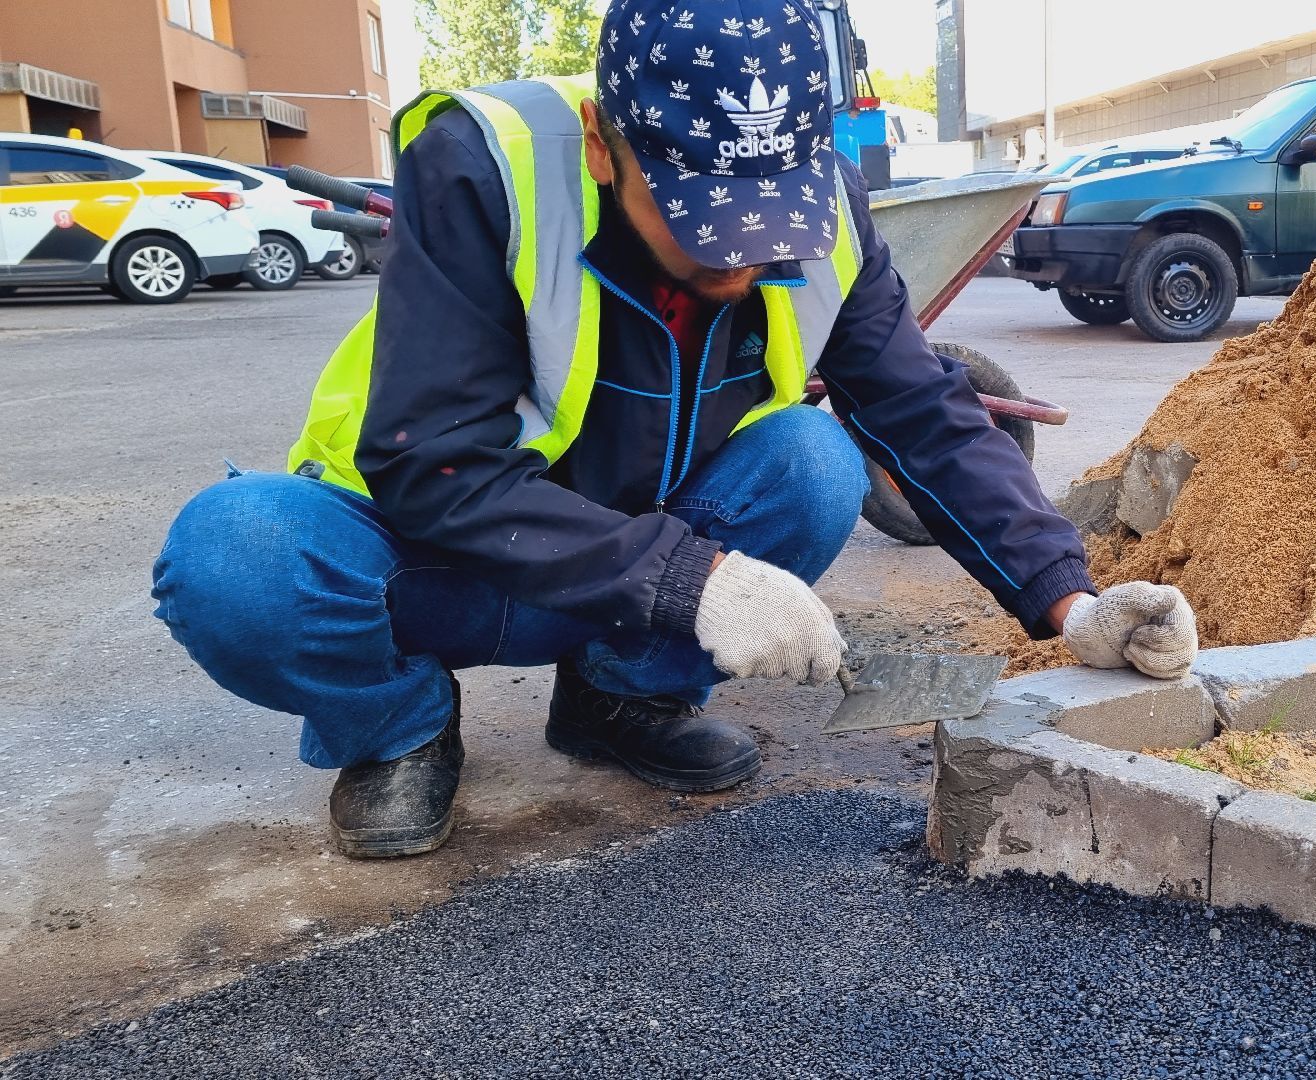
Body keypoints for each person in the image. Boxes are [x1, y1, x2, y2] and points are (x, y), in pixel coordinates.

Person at [151, 0, 1198, 859]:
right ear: (607, 147)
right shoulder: (485, 170)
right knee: (230, 555)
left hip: (620, 581)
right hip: (423, 561)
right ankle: (401, 727)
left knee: (812, 463)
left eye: (766, 228)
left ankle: (619, 699)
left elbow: (923, 411)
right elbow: (436, 463)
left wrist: (1069, 600)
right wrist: (696, 584)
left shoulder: (832, 211)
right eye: (704, 226)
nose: (742, 267)